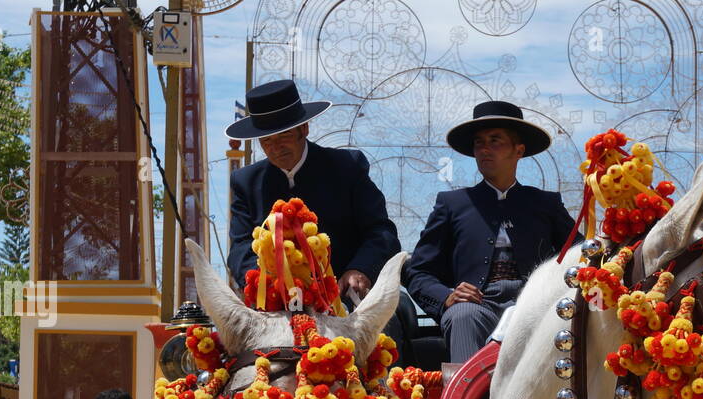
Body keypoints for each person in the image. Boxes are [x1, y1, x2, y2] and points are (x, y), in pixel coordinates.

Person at [225, 80, 417, 351]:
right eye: (266, 140)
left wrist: (359, 269)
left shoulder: (347, 167)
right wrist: (264, 283)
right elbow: (241, 246)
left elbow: (381, 232)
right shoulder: (245, 181)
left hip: (343, 294)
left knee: (383, 331)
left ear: (304, 128)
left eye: (283, 136)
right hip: (272, 301)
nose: (275, 147)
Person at [406, 100, 577, 362]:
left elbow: (579, 259)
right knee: (462, 315)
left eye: (495, 140)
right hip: (477, 307)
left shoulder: (546, 204)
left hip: (533, 305)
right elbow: (418, 271)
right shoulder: (453, 204)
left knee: (559, 318)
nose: (484, 149)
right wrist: (447, 297)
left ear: (518, 150)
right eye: (478, 142)